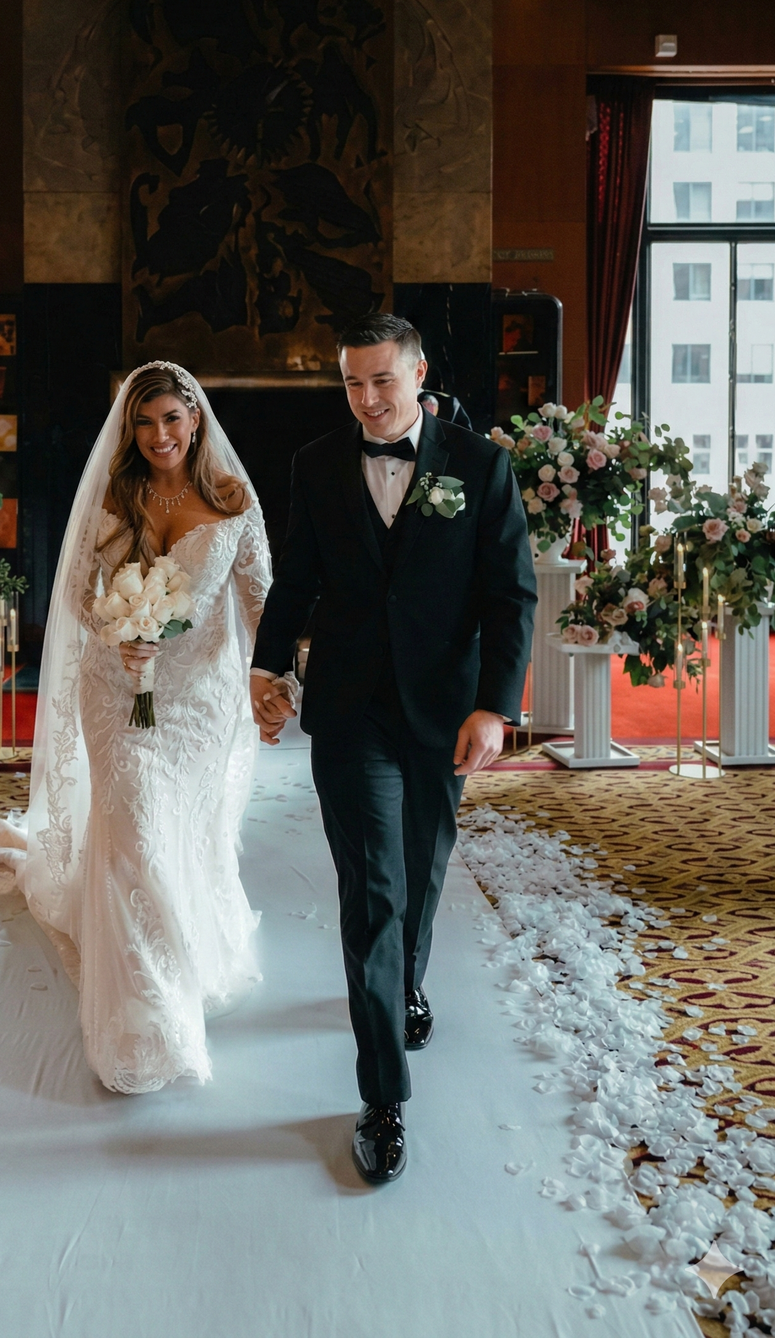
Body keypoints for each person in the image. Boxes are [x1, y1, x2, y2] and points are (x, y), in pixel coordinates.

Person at [250, 314, 535, 1185]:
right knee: (371, 888)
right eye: (352, 384)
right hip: (348, 710)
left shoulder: (480, 466)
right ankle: (384, 1097)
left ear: (418, 375)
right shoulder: (314, 466)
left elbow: (510, 596)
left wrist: (496, 707)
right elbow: (297, 577)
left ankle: (408, 980)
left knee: (422, 863)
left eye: (382, 381)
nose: (367, 401)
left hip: (445, 712)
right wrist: (267, 666)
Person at [0, 363, 273, 1094]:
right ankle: (146, 1018)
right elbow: (76, 587)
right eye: (144, 422)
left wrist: (261, 679)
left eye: (172, 418)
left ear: (195, 419)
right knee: (133, 828)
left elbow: (259, 592)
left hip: (198, 696)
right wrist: (116, 634)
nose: (160, 435)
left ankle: (189, 950)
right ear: (129, 429)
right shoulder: (112, 492)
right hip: (114, 687)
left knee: (182, 827)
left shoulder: (232, 498)